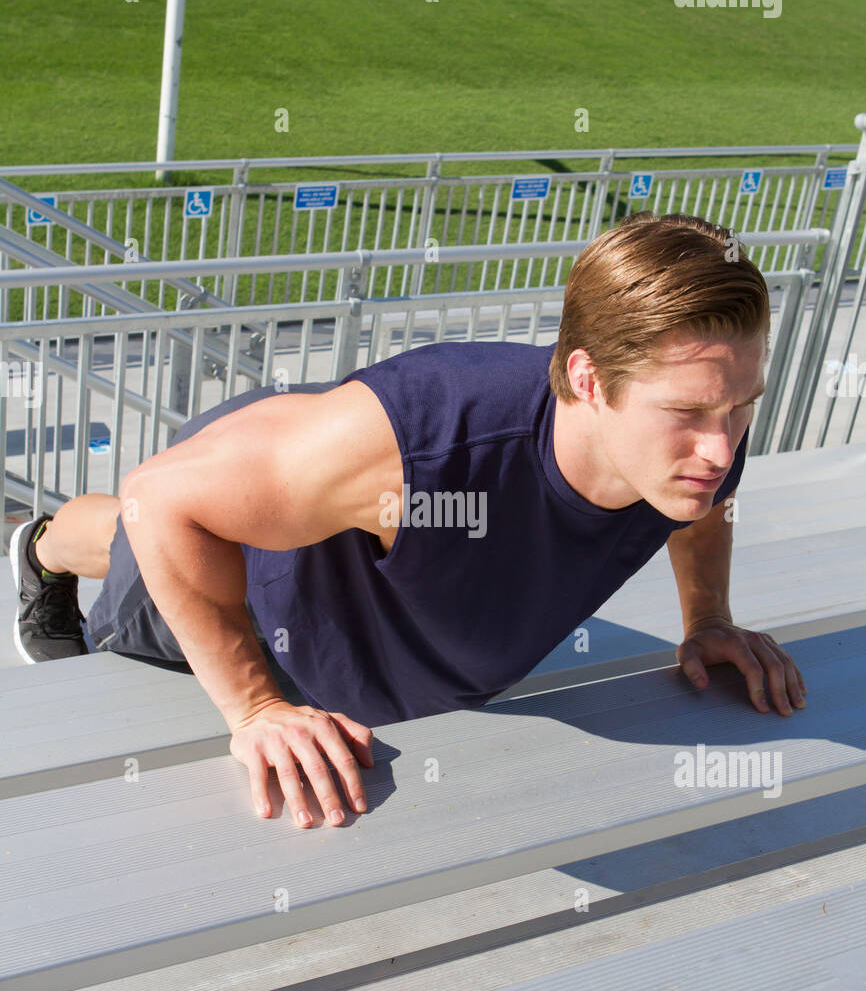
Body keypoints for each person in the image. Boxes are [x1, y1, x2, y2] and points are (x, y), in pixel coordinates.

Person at [10, 211, 807, 826]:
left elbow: (703, 505)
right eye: (689, 412)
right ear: (589, 380)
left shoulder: (694, 446)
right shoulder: (427, 442)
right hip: (258, 569)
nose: (720, 445)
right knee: (130, 537)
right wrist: (257, 707)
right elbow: (163, 499)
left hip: (334, 520)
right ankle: (40, 549)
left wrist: (708, 617)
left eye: (742, 407)